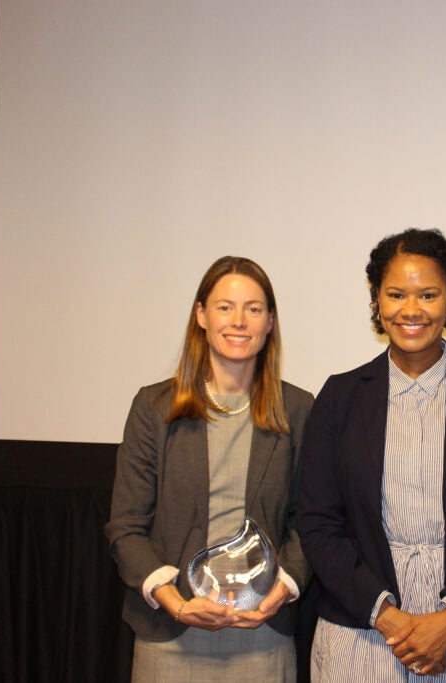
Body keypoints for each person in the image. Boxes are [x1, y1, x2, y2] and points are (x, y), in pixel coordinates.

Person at [297, 228, 446, 681]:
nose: (411, 310)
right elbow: (317, 523)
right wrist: (389, 617)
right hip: (362, 629)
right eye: (395, 295)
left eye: (428, 294)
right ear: (377, 301)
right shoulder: (339, 396)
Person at [106, 256, 313, 681]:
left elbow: (309, 522)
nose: (239, 321)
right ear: (201, 315)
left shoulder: (298, 409)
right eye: (224, 307)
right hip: (171, 634)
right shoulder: (153, 408)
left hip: (262, 637)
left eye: (254, 309)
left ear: (270, 321)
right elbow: (126, 527)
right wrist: (176, 603)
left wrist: (278, 594)